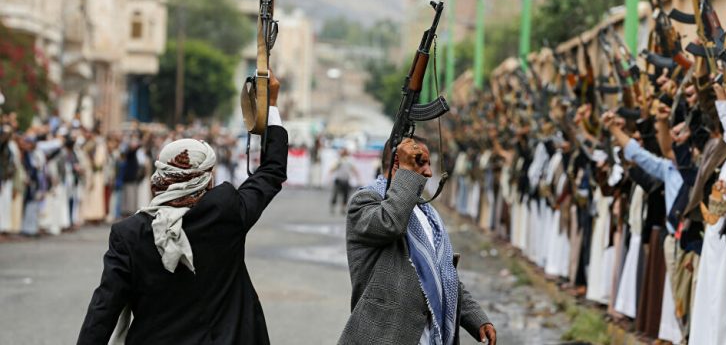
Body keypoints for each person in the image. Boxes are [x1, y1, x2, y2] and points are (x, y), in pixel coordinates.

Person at [77, 72, 288, 345]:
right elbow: (271, 171)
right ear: (206, 178)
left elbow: (103, 311)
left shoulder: (129, 233)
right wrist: (270, 104)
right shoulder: (226, 211)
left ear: (161, 175)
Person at [340, 136, 497, 345]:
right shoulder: (365, 202)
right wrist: (405, 173)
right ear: (398, 163)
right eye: (420, 163)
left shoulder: (425, 212)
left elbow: (441, 274)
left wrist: (477, 319)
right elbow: (390, 223)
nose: (429, 172)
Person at [330, 148, 358, 214]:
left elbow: (354, 169)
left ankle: (342, 208)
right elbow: (333, 169)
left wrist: (357, 175)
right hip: (339, 180)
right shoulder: (339, 161)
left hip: (345, 180)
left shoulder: (348, 161)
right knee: (336, 194)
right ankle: (334, 207)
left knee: (345, 195)